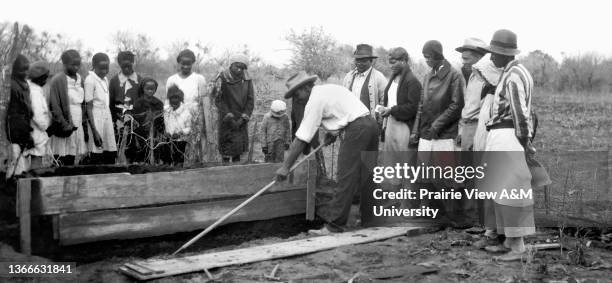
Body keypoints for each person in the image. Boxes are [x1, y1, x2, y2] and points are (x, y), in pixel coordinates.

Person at [275, 72, 379, 235]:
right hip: (370, 125)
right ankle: (369, 217)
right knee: (366, 174)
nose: (297, 98)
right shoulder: (330, 89)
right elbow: (344, 112)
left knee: (346, 176)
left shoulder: (315, 100)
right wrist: (334, 132)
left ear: (308, 87)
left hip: (357, 130)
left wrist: (286, 167)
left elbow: (302, 138)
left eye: (297, 93)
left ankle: (334, 226)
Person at [480, 29, 536, 261]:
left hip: (508, 135)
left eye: (495, 53)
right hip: (503, 134)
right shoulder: (513, 71)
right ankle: (509, 241)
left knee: (511, 190)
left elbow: (520, 114)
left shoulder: (513, 75)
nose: (492, 57)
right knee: (502, 189)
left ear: (506, 54)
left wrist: (526, 142)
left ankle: (518, 247)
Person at [416, 40, 465, 227]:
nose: (427, 61)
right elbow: (421, 105)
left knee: (446, 175)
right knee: (426, 174)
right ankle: (432, 213)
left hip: (444, 134)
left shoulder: (454, 75)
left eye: (428, 57)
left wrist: (437, 126)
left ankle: (453, 216)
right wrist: (417, 131)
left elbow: (456, 104)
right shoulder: (428, 76)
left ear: (437, 55)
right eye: (425, 57)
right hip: (426, 133)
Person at [48, 50, 88, 166]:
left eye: (78, 64)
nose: (76, 67)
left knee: (71, 155)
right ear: (64, 64)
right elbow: (54, 105)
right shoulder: (57, 80)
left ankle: (69, 182)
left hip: (77, 120)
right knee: (61, 156)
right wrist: (64, 124)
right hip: (63, 121)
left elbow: (84, 103)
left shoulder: (81, 79)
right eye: (73, 64)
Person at [378, 47, 422, 150]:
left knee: (402, 162)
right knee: (390, 161)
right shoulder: (393, 78)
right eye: (389, 63)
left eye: (393, 62)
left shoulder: (412, 81)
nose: (390, 66)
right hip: (390, 124)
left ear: (403, 61)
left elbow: (413, 108)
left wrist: (391, 110)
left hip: (404, 127)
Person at [213, 54, 254, 163]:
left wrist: (243, 118)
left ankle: (237, 172)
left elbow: (250, 100)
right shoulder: (222, 77)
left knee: (238, 149)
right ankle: (225, 170)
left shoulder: (247, 79)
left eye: (242, 67)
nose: (239, 70)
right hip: (226, 119)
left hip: (241, 119)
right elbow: (218, 99)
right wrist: (228, 116)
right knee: (226, 149)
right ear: (231, 65)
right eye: (237, 66)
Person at [455, 38, 488, 151]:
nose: (463, 62)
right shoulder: (472, 75)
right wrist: (462, 131)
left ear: (479, 58)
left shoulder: (487, 78)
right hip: (467, 127)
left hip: (478, 127)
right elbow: (468, 107)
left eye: (466, 58)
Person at [85, 53, 117, 164]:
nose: (104, 71)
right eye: (101, 68)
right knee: (97, 150)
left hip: (106, 116)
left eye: (106, 68)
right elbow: (88, 107)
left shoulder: (105, 80)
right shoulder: (90, 80)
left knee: (110, 150)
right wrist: (95, 131)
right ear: (94, 66)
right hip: (96, 118)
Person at [5, 55, 33, 178]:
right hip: (15, 129)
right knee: (15, 162)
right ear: (15, 70)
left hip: (24, 126)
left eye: (27, 69)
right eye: (22, 70)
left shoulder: (25, 84)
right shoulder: (12, 85)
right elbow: (13, 112)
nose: (26, 72)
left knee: (23, 163)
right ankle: (10, 188)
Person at [343, 44, 388, 118]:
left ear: (371, 61)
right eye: (357, 60)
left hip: (370, 123)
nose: (360, 63)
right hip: (350, 121)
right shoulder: (348, 77)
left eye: (364, 61)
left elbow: (384, 101)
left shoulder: (379, 78)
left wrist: (378, 119)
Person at [126, 78, 164, 163]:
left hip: (155, 133)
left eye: (152, 89)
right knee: (142, 153)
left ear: (155, 89)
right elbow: (136, 120)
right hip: (141, 134)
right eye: (148, 89)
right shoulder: (138, 103)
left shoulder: (159, 103)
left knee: (155, 152)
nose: (150, 91)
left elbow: (161, 119)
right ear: (143, 89)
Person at [27, 61, 52, 170]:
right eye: (45, 78)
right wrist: (45, 126)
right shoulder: (35, 93)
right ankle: (34, 182)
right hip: (36, 131)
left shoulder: (29, 88)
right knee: (36, 158)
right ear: (41, 79)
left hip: (30, 130)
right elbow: (37, 115)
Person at [109, 51, 142, 129]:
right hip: (119, 117)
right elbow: (111, 102)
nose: (127, 67)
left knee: (135, 138)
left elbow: (143, 99)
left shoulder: (140, 79)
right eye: (123, 64)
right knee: (120, 139)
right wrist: (113, 120)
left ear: (133, 62)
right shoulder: (114, 80)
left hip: (136, 117)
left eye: (129, 63)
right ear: (119, 63)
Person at [162, 85, 192, 165]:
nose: (174, 100)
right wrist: (165, 132)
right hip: (168, 140)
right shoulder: (166, 110)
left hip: (181, 141)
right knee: (167, 159)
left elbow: (189, 127)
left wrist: (180, 133)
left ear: (180, 99)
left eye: (176, 98)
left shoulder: (186, 112)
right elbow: (163, 123)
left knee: (179, 160)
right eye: (171, 98)